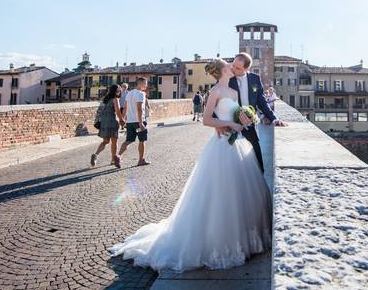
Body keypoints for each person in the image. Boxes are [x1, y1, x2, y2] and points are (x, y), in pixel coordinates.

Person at [111, 58, 270, 272]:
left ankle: (244, 240)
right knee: (218, 195)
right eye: (228, 66)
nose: (231, 67)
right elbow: (206, 119)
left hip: (237, 144)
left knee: (237, 194)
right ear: (222, 71)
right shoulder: (215, 91)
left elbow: (234, 111)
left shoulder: (232, 92)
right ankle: (218, 244)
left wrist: (243, 119)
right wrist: (229, 123)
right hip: (221, 146)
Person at [227, 53, 286, 172]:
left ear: (246, 68)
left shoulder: (254, 78)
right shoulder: (227, 78)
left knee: (257, 159)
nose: (233, 69)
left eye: (237, 68)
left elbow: (261, 101)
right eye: (233, 65)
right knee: (233, 163)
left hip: (250, 125)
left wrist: (274, 119)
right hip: (231, 125)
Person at [118, 77, 149, 166]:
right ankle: (141, 160)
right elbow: (139, 109)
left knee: (128, 140)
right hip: (138, 122)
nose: (146, 85)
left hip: (129, 122)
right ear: (141, 83)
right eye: (145, 83)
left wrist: (123, 119)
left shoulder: (129, 93)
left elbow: (125, 108)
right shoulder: (141, 94)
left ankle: (118, 156)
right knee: (142, 140)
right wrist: (140, 123)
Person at [91, 85, 124, 168]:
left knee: (105, 141)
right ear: (116, 91)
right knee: (114, 142)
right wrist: (121, 120)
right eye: (119, 91)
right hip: (112, 121)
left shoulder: (105, 99)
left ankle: (95, 154)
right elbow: (117, 111)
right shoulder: (115, 99)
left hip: (104, 122)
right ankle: (113, 159)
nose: (119, 92)